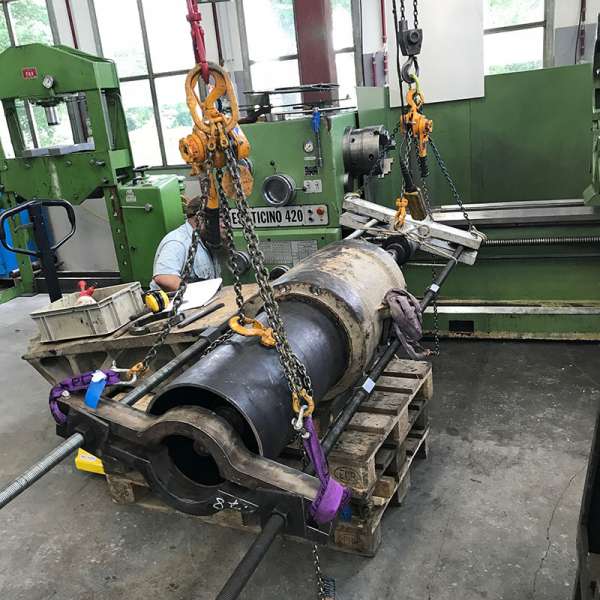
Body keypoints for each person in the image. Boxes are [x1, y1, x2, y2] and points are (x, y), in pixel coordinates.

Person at [150, 195, 221, 292]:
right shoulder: (177, 242)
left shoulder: (206, 241)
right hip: (178, 301)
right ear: (199, 218)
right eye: (219, 220)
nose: (223, 224)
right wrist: (197, 294)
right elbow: (164, 278)